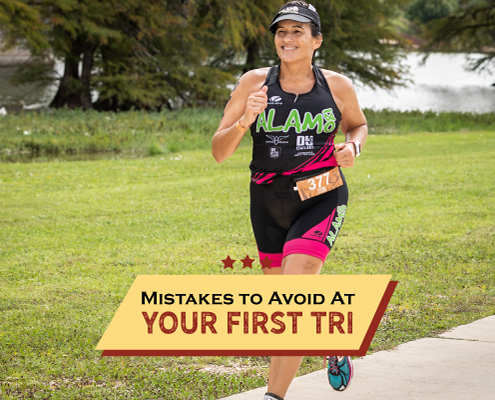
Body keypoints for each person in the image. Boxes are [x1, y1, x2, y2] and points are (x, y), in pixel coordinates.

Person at [212, 2, 367, 399]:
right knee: (283, 309)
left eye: (298, 31)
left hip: (321, 196)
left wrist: (353, 146)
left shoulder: (336, 85)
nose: (288, 38)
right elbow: (218, 150)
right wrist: (246, 120)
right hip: (266, 202)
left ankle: (273, 396)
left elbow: (358, 124)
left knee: (292, 299)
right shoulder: (253, 83)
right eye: (282, 31)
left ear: (317, 40)